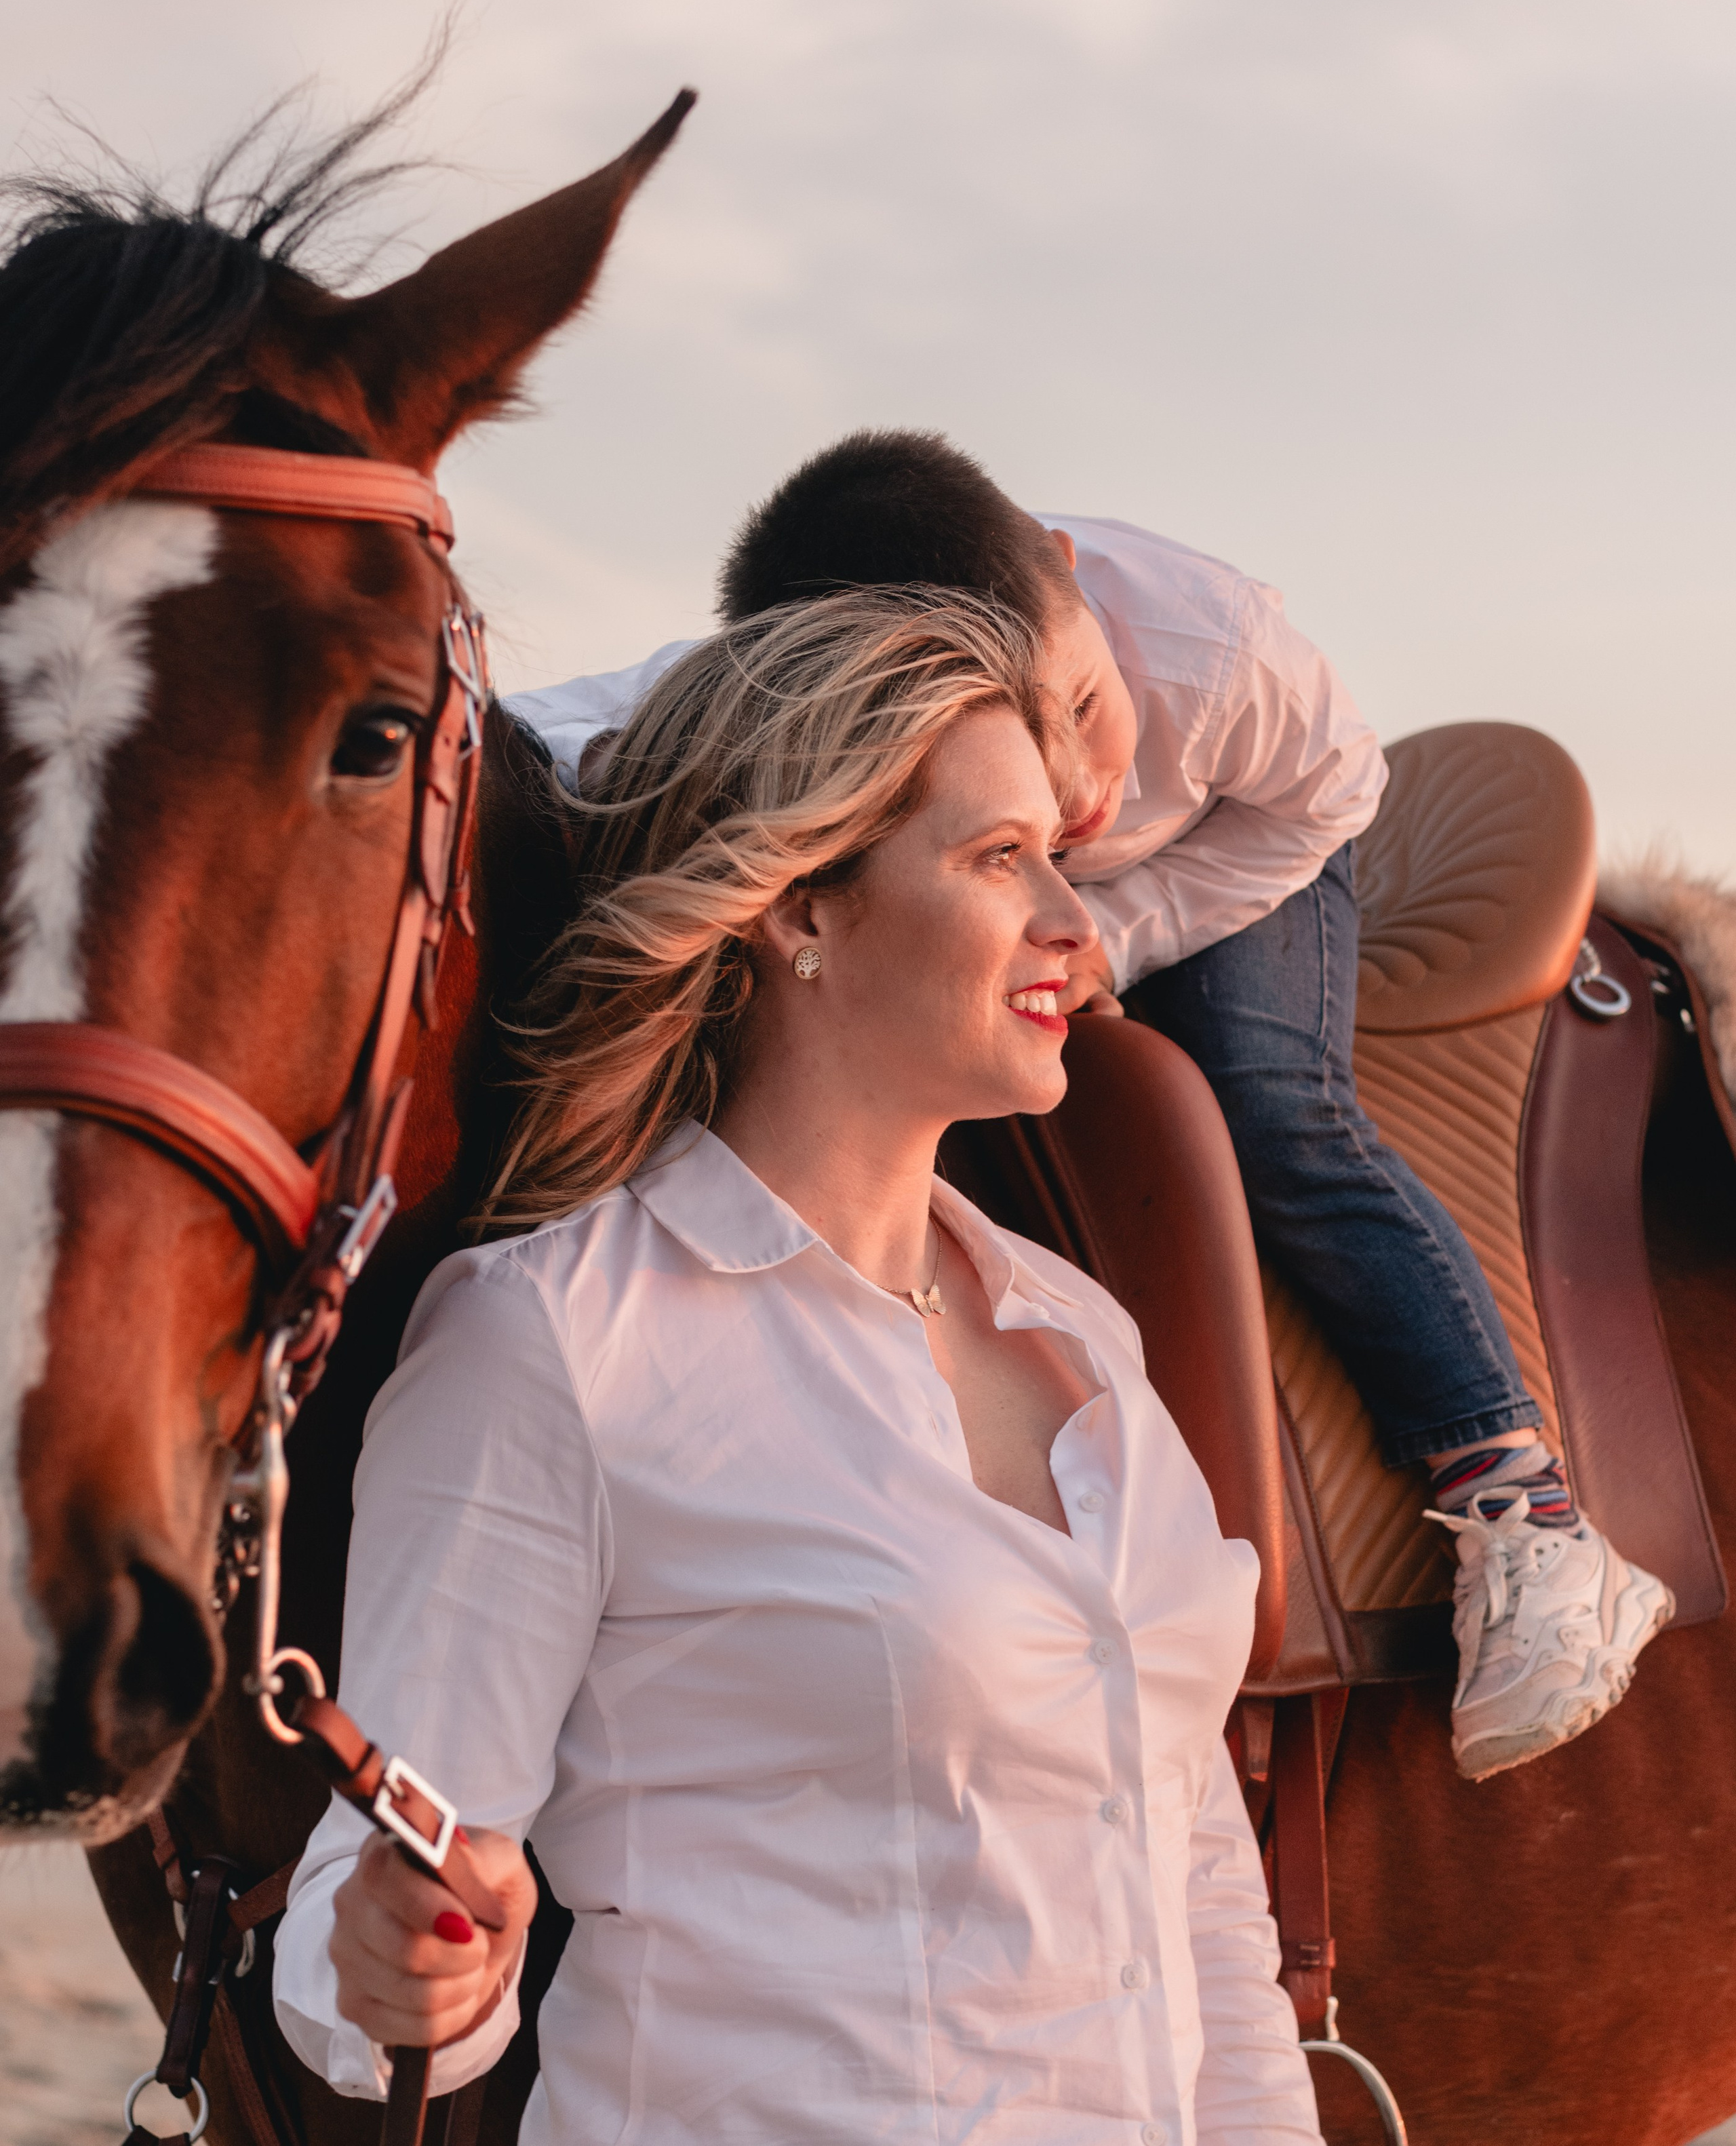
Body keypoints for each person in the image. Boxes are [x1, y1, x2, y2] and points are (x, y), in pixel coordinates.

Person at [273, 590, 1322, 2139]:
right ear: (801, 911)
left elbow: (1193, 1883)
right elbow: (368, 1917)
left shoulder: (1083, 1333)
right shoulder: (550, 1338)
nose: (1072, 923)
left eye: (1057, 854)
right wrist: (404, 1955)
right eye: (993, 857)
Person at [507, 431, 1673, 1782]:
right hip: (1001, 887)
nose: (1069, 780)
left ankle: (1518, 1500)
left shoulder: (1214, 652)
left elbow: (1326, 796)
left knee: (1272, 1103)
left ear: (1066, 574)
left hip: (1246, 854)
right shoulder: (834, 655)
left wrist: (1111, 936)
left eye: (1070, 702)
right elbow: (561, 726)